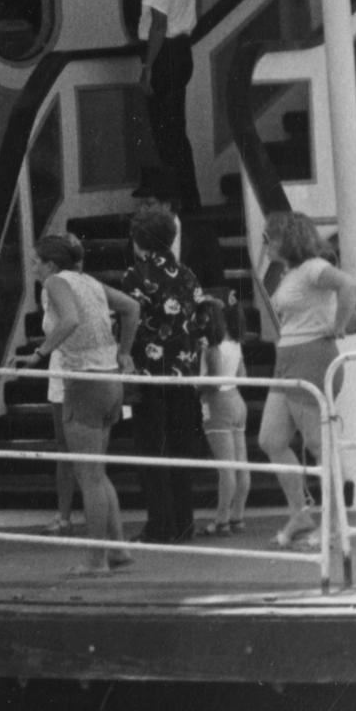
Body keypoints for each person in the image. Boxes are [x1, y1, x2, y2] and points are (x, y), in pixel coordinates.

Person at [19, 232, 136, 574]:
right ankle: (117, 549)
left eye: (36, 262)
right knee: (97, 473)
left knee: (89, 476)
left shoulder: (55, 283)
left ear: (51, 264)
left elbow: (69, 319)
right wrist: (124, 351)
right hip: (110, 378)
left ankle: (95, 559)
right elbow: (132, 308)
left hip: (83, 382)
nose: (34, 269)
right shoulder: (90, 282)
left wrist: (39, 353)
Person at [255, 210, 356, 549]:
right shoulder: (293, 273)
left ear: (287, 239)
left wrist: (338, 325)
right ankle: (300, 512)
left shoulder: (313, 268)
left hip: (311, 358)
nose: (265, 245)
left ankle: (332, 523)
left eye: (270, 238)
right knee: (271, 439)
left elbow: (349, 285)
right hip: (288, 360)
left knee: (318, 445)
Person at [122, 205, 213, 547]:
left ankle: (160, 524)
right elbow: (202, 319)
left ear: (137, 240)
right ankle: (184, 523)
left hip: (149, 375)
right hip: (183, 373)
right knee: (179, 451)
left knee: (152, 450)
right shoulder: (188, 274)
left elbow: (128, 320)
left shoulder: (135, 275)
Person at [131, 0, 200, 209]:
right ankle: (188, 198)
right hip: (182, 53)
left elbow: (158, 25)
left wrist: (147, 68)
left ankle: (176, 201)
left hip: (164, 57)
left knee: (165, 134)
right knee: (176, 131)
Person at [199, 301, 251, 534]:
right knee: (241, 464)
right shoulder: (236, 345)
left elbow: (214, 381)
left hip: (217, 403)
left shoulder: (212, 348)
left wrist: (197, 386)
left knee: (226, 468)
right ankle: (237, 515)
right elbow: (242, 375)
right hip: (237, 400)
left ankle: (221, 520)